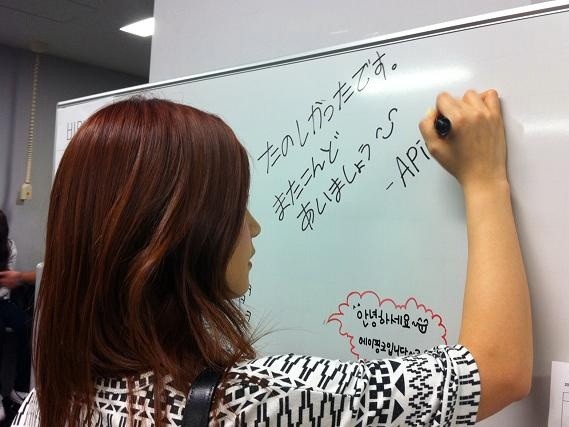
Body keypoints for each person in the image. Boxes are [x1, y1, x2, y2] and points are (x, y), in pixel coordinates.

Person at [13, 91, 532, 426]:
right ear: (179, 233)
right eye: (236, 206)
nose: (254, 226)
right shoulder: (251, 402)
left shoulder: (46, 404)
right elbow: (495, 372)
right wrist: (485, 180)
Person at [0, 210, 31, 422]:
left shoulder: (9, 247)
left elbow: (8, 282)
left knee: (26, 326)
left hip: (2, 300)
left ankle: (19, 386)